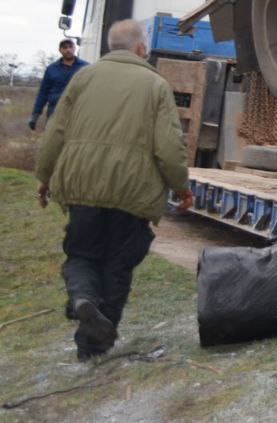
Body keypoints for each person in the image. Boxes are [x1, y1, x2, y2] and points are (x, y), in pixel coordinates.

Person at [35, 19, 193, 361]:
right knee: (118, 265)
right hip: (131, 192)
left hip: (82, 186)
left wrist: (45, 176)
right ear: (140, 48)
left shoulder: (83, 78)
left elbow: (55, 132)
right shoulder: (155, 85)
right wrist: (181, 187)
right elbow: (169, 146)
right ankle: (94, 347)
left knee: (81, 255)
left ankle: (82, 299)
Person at [29, 38, 88, 130]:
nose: (68, 50)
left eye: (70, 47)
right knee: (52, 141)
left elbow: (92, 90)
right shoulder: (51, 69)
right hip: (55, 111)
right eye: (64, 47)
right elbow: (43, 92)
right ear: (60, 50)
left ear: (74, 48)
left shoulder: (86, 67)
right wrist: (35, 115)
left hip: (78, 111)